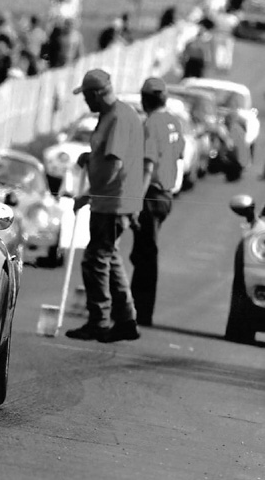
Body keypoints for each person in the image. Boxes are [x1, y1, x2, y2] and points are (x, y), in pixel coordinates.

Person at [66, 69, 144, 342]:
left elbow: (114, 164)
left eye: (87, 95)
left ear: (98, 93)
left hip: (113, 202)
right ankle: (126, 320)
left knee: (95, 260)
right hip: (112, 200)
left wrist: (90, 193)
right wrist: (90, 158)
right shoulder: (110, 115)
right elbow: (106, 155)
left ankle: (99, 320)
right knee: (109, 258)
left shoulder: (119, 117)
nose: (85, 101)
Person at [130, 78, 185, 327]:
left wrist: (136, 201)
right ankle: (135, 306)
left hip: (151, 195)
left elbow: (148, 165)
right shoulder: (174, 121)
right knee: (143, 252)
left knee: (146, 255)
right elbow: (179, 153)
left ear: (145, 100)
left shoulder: (151, 123)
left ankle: (141, 311)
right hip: (166, 195)